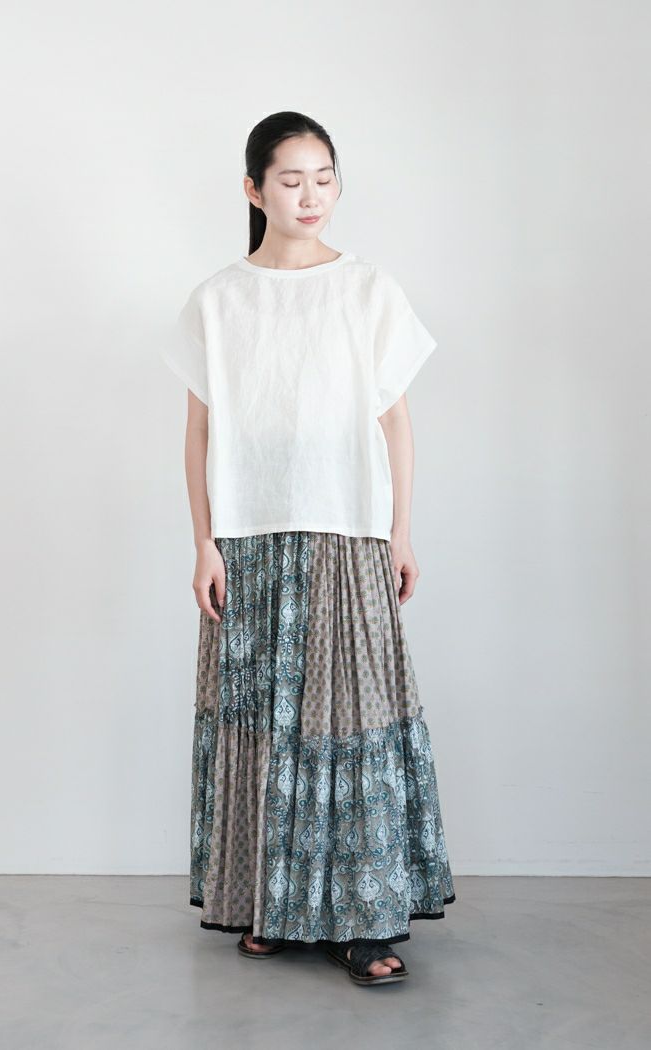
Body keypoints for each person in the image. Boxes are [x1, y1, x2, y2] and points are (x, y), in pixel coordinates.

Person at [161, 110, 455, 987]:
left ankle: (362, 922)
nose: (311, 195)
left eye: (324, 177)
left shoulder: (368, 290)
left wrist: (400, 529)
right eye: (291, 180)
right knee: (259, 723)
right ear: (254, 191)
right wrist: (203, 542)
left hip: (346, 529)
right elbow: (199, 431)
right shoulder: (219, 300)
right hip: (249, 539)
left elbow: (394, 420)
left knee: (351, 719)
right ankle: (272, 907)